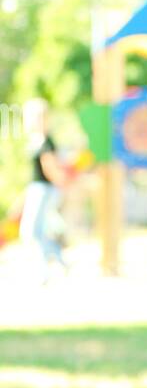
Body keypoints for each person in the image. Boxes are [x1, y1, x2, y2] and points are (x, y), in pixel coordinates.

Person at [19, 98, 69, 284]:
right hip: (37, 189)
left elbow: (50, 168)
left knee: (33, 231)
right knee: (36, 232)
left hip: (44, 190)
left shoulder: (46, 142)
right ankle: (59, 260)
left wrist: (61, 183)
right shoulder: (37, 140)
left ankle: (45, 272)